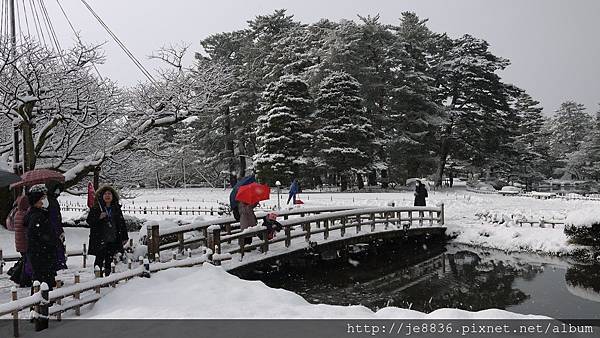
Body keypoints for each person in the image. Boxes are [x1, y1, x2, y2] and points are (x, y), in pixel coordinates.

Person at [86, 186, 129, 277]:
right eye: (105, 194)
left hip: (112, 238)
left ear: (113, 196)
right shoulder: (96, 208)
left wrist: (124, 236)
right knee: (99, 259)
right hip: (100, 238)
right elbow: (89, 221)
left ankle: (107, 279)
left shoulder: (116, 208)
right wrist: (99, 217)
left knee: (109, 259)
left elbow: (121, 223)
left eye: (109, 194)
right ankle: (98, 277)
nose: (107, 196)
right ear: (101, 196)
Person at [25, 184, 58, 290]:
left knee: (41, 281)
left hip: (40, 254)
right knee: (42, 282)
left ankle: (41, 303)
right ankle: (42, 305)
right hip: (41, 255)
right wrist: (54, 241)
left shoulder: (40, 214)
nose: (45, 200)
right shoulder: (37, 216)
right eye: (43, 198)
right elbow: (42, 235)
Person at [45, 181, 67, 270]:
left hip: (54, 230)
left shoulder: (52, 200)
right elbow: (54, 218)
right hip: (52, 231)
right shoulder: (49, 201)